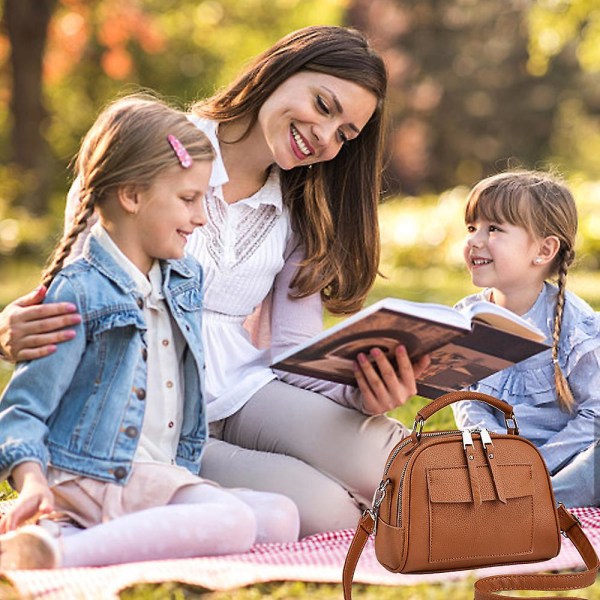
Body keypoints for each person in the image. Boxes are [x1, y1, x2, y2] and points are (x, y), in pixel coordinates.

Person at [0, 26, 430, 536]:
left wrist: (363, 390)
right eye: (323, 104)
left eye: (344, 134)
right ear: (280, 69)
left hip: (244, 390)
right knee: (330, 513)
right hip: (157, 406)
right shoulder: (157, 145)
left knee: (399, 464)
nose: (325, 134)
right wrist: (10, 328)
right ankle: (161, 500)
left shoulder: (299, 205)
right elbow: (81, 280)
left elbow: (292, 349)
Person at [0, 94, 299, 570]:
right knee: (236, 524)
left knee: (281, 516)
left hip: (156, 471)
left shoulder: (182, 281)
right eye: (188, 199)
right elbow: (23, 408)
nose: (201, 217)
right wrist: (33, 481)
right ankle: (58, 553)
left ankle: (73, 530)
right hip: (95, 472)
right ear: (133, 195)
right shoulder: (80, 291)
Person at [453, 170, 600, 508]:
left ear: (544, 250)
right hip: (492, 462)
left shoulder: (575, 325)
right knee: (434, 454)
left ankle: (534, 506)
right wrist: (501, 460)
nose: (475, 240)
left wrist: (536, 466)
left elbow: (595, 414)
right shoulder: (468, 319)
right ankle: (513, 503)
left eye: (494, 229)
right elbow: (466, 403)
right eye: (472, 227)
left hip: (563, 463)